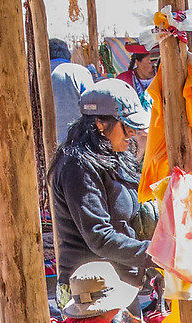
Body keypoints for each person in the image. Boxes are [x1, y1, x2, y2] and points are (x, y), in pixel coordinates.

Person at [52, 80, 151, 278]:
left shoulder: (116, 155)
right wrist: (156, 254)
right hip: (90, 287)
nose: (132, 133)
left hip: (121, 280)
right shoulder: (77, 166)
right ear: (100, 124)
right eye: (126, 127)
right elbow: (100, 237)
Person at [48, 38, 94, 148]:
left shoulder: (32, 74)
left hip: (44, 145)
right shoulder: (79, 71)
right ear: (68, 55)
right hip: (77, 143)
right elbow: (92, 105)